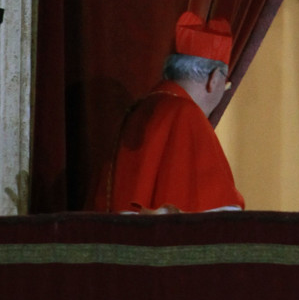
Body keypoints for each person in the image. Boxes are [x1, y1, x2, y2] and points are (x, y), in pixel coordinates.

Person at [92, 12, 244, 213]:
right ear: (214, 79)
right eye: (225, 83)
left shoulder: (137, 110)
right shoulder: (186, 115)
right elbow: (218, 219)